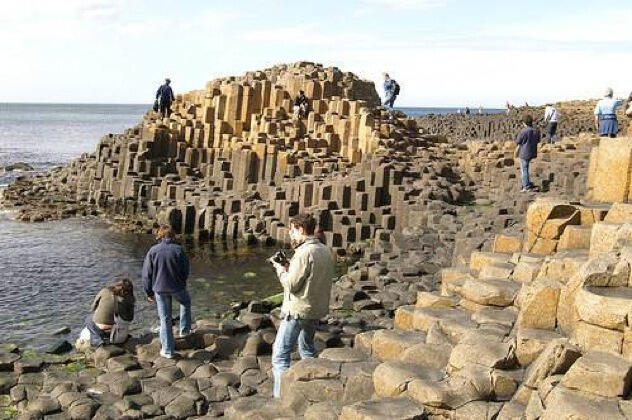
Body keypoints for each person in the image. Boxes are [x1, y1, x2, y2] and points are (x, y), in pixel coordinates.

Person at [269, 214, 335, 398]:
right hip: (315, 309)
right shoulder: (324, 250)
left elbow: (291, 285)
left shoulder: (303, 252)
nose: (291, 235)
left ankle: (281, 398)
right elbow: (311, 276)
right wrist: (289, 265)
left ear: (300, 229)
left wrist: (280, 269)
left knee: (280, 356)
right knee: (307, 351)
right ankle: (313, 389)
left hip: (297, 311)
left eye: (292, 230)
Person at [142, 224, 191, 359]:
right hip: (177, 287)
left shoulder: (153, 251)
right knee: (185, 302)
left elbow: (146, 275)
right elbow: (186, 270)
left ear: (160, 235)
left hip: (159, 289)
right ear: (172, 235)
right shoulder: (179, 250)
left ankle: (167, 351)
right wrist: (182, 282)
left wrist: (148, 293)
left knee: (165, 319)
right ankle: (184, 331)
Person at [80, 278, 135, 348]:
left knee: (88, 319)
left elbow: (93, 307)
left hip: (101, 326)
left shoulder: (104, 291)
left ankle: (97, 340)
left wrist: (102, 309)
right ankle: (109, 336)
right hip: (117, 330)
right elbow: (130, 318)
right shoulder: (129, 300)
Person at [514, 114, 540, 192]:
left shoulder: (523, 131)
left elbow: (518, 141)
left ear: (524, 123)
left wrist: (516, 153)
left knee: (524, 169)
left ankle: (526, 186)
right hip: (532, 152)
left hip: (524, 153)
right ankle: (527, 183)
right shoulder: (536, 131)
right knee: (527, 168)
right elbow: (538, 140)